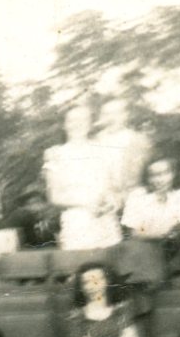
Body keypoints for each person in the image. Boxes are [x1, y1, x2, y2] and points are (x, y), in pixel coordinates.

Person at [43, 104, 121, 250]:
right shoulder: (55, 154)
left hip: (105, 222)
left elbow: (112, 189)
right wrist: (87, 203)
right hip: (76, 223)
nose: (78, 124)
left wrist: (111, 202)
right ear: (64, 125)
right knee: (79, 262)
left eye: (83, 119)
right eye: (72, 120)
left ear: (90, 123)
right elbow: (54, 196)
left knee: (109, 261)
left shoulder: (103, 151)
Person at [121, 158, 180, 254]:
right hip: (143, 250)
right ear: (147, 178)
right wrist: (163, 234)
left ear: (173, 174)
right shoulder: (137, 196)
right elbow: (134, 233)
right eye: (153, 175)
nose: (159, 180)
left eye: (165, 173)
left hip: (175, 251)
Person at [92, 98, 152, 208]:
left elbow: (148, 176)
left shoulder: (140, 140)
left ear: (126, 115)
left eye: (116, 113)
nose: (111, 118)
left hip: (134, 197)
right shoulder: (95, 142)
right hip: (103, 198)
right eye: (107, 114)